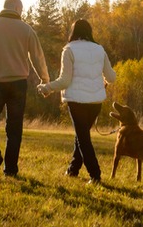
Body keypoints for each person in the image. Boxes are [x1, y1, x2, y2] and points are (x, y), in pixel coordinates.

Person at [0, 0, 49, 181]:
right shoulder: (26, 29)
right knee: (14, 128)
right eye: (21, 9)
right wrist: (45, 79)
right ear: (16, 8)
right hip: (18, 84)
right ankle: (11, 169)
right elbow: (38, 57)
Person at [38, 19, 116, 184]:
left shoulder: (69, 49)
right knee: (82, 135)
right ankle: (73, 169)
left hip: (77, 101)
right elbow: (111, 77)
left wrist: (46, 87)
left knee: (83, 138)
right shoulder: (99, 49)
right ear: (89, 32)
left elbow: (65, 81)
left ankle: (95, 175)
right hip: (96, 102)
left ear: (73, 32)